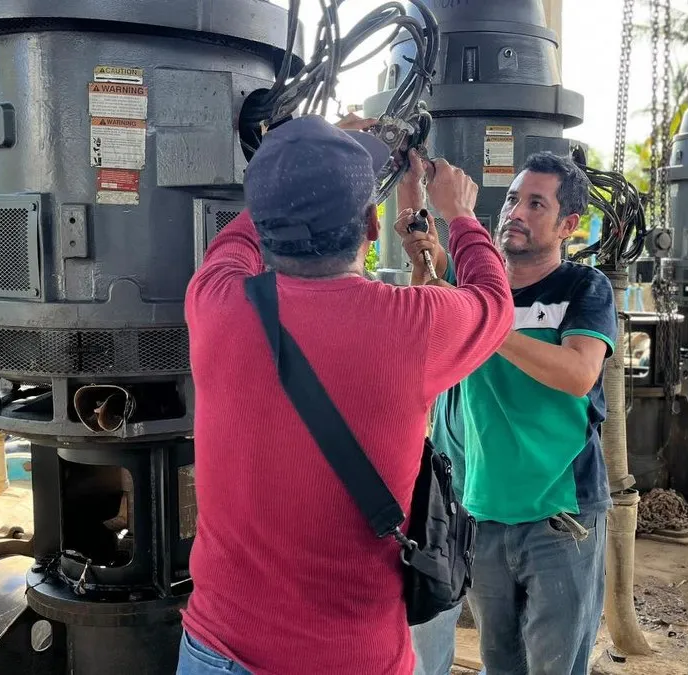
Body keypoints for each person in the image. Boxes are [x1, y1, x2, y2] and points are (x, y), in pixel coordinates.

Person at [178, 114, 514, 675]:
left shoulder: (213, 306)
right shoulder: (413, 326)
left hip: (217, 652)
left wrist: (301, 156)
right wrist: (460, 214)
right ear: (369, 223)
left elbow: (239, 238)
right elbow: (494, 300)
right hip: (351, 660)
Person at [401, 152, 616, 675]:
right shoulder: (478, 283)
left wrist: (485, 322)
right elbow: (422, 327)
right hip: (482, 513)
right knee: (500, 664)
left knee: (555, 667)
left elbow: (577, 373)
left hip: (559, 519)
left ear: (568, 225)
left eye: (535, 203)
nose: (515, 211)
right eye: (514, 198)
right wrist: (414, 200)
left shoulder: (582, 289)